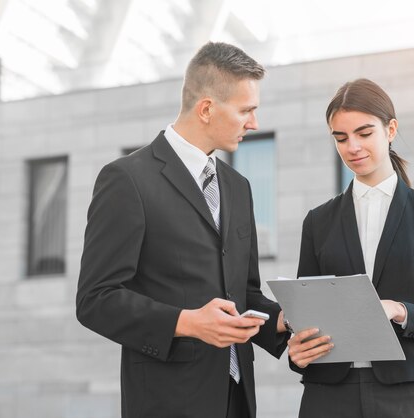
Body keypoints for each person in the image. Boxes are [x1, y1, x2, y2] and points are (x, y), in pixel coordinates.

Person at [76, 42, 293, 418]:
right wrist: (188, 323)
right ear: (206, 108)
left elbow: (244, 295)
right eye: (246, 110)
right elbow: (96, 299)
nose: (254, 123)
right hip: (167, 401)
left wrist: (283, 319)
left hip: (237, 400)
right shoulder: (127, 180)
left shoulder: (238, 186)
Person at [287, 78, 414, 418]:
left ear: (391, 129)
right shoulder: (317, 221)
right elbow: (306, 314)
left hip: (406, 393)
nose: (352, 146)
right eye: (341, 138)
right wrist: (299, 349)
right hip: (328, 393)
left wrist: (397, 309)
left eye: (364, 133)